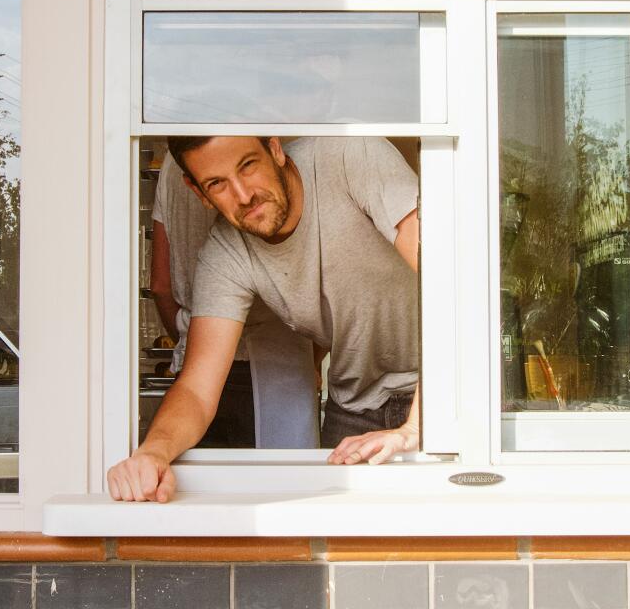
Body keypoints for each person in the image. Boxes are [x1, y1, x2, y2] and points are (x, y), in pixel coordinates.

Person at [108, 135, 420, 502]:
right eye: (217, 184)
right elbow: (196, 389)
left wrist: (415, 426)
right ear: (198, 192)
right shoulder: (224, 254)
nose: (243, 195)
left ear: (275, 149)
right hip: (355, 405)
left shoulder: (353, 157)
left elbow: (450, 278)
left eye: (247, 166)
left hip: (438, 392)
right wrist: (152, 452)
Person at [149, 152, 319, 449]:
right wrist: (314, 359)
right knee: (285, 487)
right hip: (277, 367)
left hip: (195, 373)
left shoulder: (173, 166)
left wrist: (190, 342)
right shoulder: (260, 157)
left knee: (202, 488)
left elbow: (161, 285)